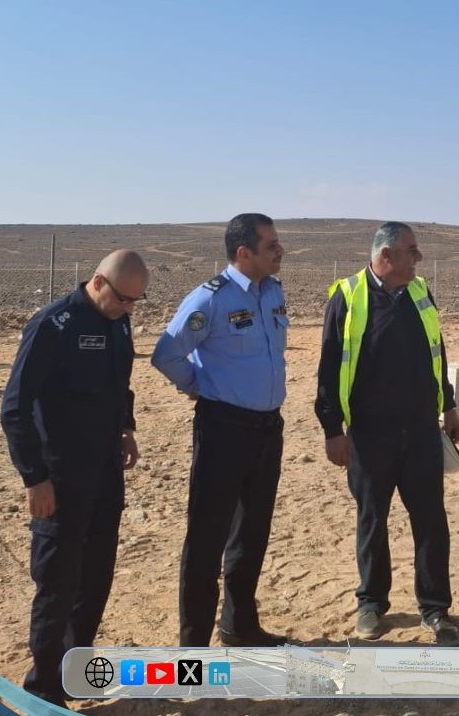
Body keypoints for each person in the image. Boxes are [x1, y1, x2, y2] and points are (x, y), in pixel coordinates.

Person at [0, 249, 149, 709]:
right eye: (123, 299)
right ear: (98, 282)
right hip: (60, 480)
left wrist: (125, 429)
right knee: (57, 583)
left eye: (135, 302)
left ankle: (74, 671)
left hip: (104, 474)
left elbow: (120, 383)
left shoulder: (119, 323)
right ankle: (43, 688)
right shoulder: (53, 325)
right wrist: (34, 478)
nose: (128, 309)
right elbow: (15, 408)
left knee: (95, 579)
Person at [315, 221, 459, 646]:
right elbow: (329, 366)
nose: (419, 258)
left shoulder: (420, 292)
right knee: (372, 520)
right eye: (411, 251)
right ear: (386, 256)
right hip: (369, 435)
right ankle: (371, 602)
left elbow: (437, 351)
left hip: (420, 431)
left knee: (431, 521)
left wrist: (449, 404)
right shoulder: (348, 297)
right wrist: (332, 429)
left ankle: (435, 608)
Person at [151, 212, 289, 648]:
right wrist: (198, 385)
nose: (280, 251)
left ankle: (239, 626)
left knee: (252, 534)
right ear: (244, 252)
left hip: (267, 429)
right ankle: (193, 647)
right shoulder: (210, 299)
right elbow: (166, 354)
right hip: (223, 430)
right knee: (207, 538)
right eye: (271, 245)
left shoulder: (273, 292)